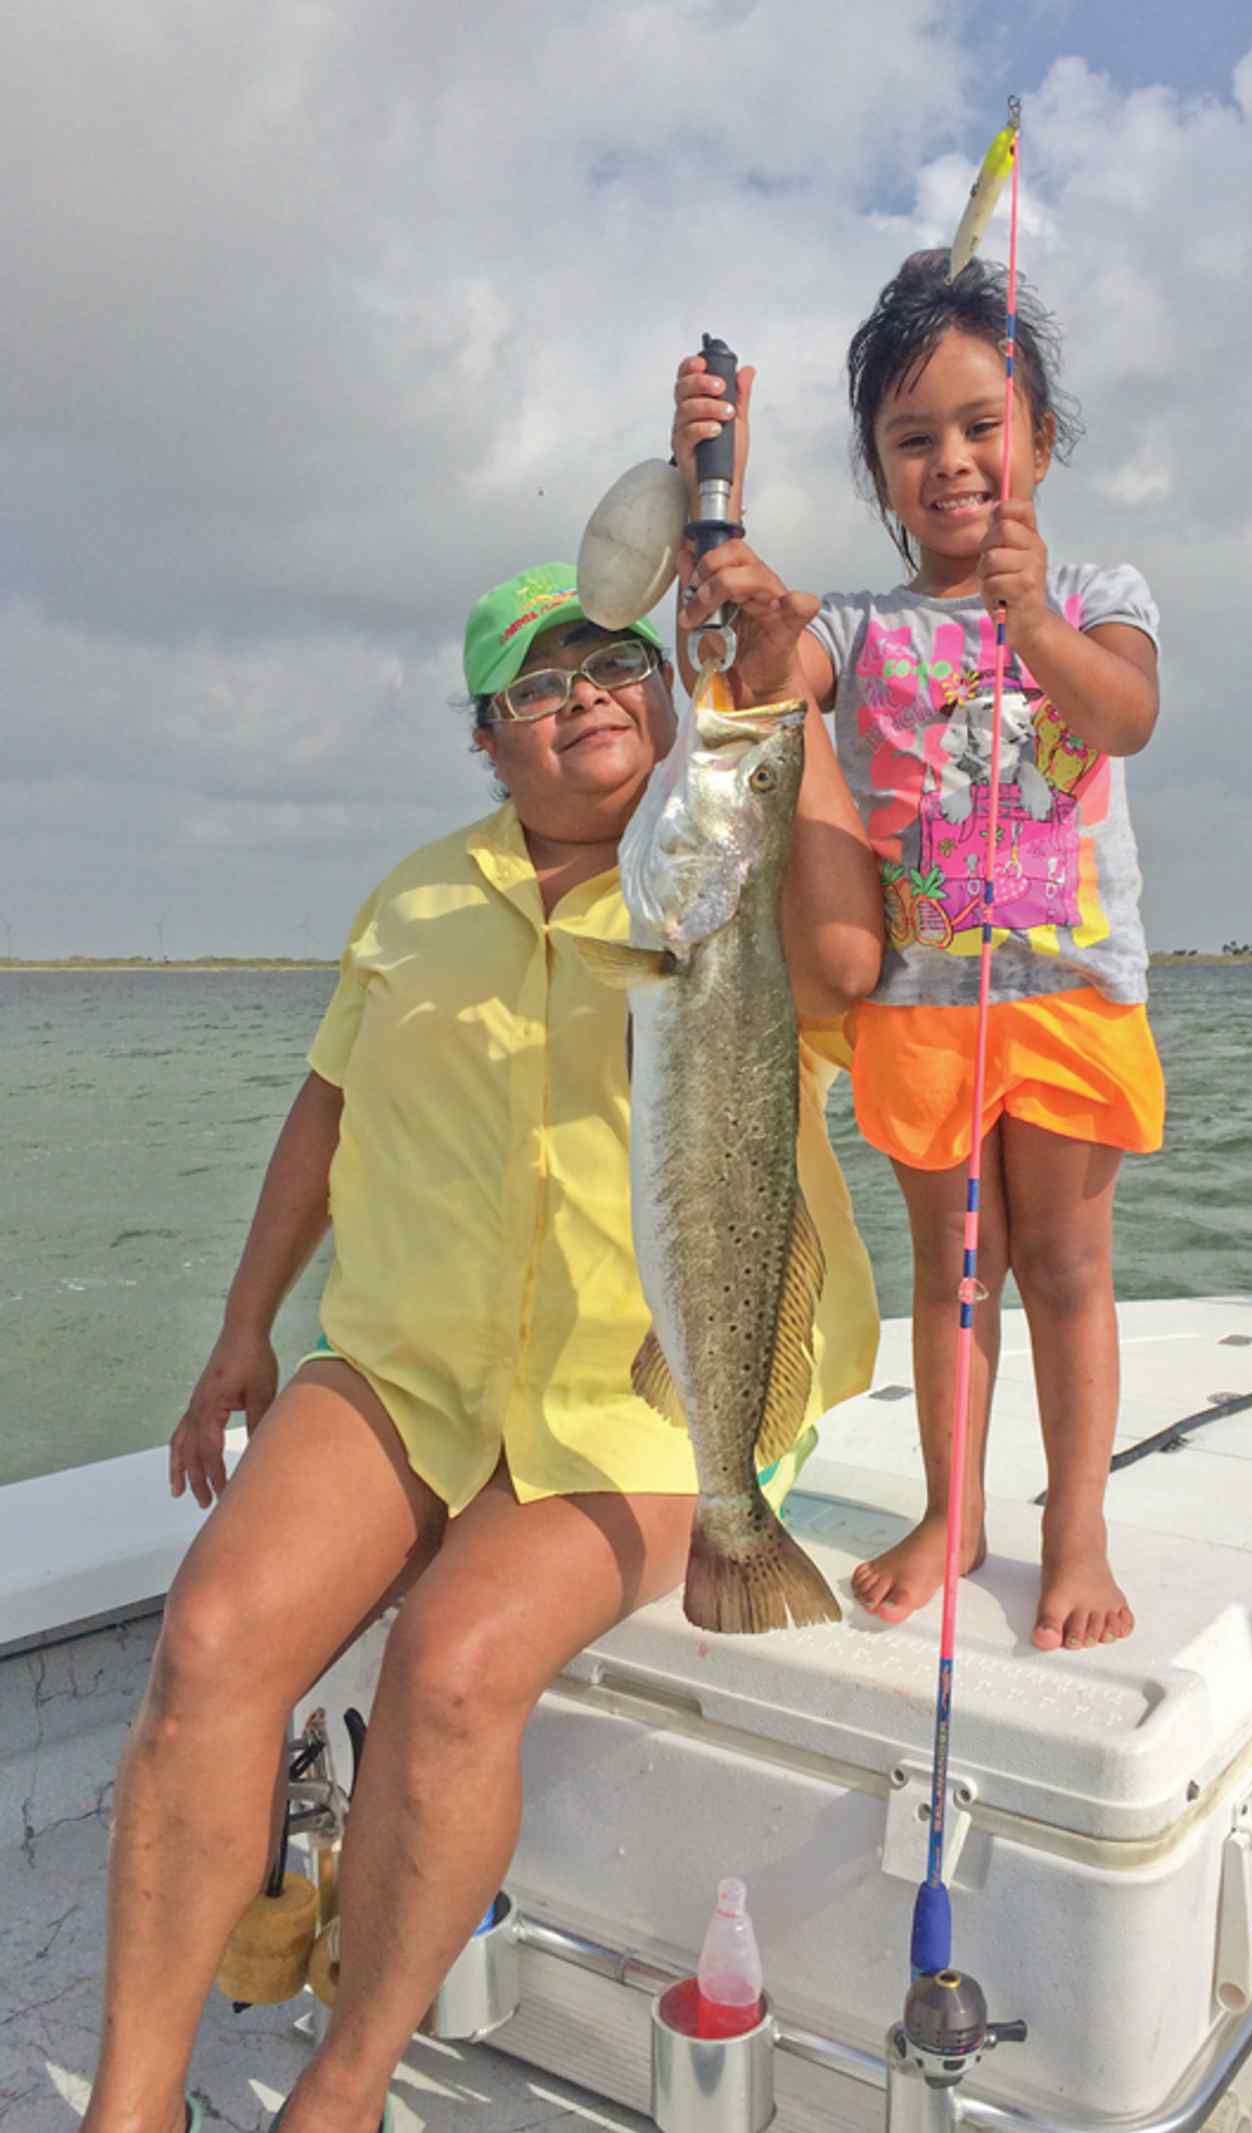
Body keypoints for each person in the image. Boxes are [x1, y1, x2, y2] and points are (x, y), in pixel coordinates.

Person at [83, 565, 882, 2133]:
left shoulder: (727, 878)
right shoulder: (413, 899)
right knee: (213, 1636)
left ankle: (343, 2088)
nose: (585, 695)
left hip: (652, 1390)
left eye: (615, 662)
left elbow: (848, 966)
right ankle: (132, 2104)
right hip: (407, 1362)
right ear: (488, 737)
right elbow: (326, 1108)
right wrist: (243, 1326)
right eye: (538, 682)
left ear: (667, 698)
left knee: (451, 1666)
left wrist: (778, 685)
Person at [673, 249, 1163, 1655]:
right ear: (881, 475)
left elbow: (1123, 715)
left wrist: (1034, 620)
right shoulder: (856, 625)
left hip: (1069, 995)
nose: (950, 461)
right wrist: (726, 547)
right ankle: (958, 1514)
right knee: (956, 1271)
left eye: (980, 426)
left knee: (1065, 1268)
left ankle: (1079, 1529)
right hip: (919, 1003)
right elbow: (762, 686)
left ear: (1039, 443)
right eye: (911, 440)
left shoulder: (1100, 589)